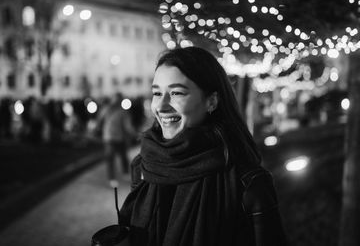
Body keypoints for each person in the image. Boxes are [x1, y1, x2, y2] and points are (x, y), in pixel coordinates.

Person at [119, 47, 287, 246]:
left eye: (176, 93)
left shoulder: (248, 181)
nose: (161, 106)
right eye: (157, 93)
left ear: (211, 101)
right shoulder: (143, 165)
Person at [100, 93, 136, 187]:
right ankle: (113, 177)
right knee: (111, 157)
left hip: (116, 137)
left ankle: (123, 173)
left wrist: (133, 132)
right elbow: (99, 120)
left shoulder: (120, 111)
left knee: (120, 156)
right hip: (111, 137)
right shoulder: (108, 109)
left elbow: (127, 126)